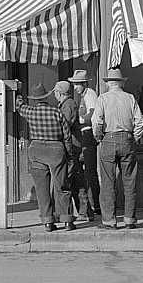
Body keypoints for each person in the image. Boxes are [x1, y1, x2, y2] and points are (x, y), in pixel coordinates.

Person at [16, 83, 75, 233]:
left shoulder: (30, 111)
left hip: (37, 150)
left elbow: (19, 106)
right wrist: (69, 153)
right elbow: (67, 135)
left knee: (42, 188)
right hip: (56, 149)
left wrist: (18, 95)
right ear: (46, 98)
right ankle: (67, 220)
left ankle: (48, 222)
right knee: (61, 185)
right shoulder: (56, 112)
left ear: (35, 100)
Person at [92, 68, 143, 230]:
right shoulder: (130, 98)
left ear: (108, 83)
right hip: (127, 138)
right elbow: (140, 122)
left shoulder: (103, 98)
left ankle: (110, 220)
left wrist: (99, 138)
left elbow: (97, 122)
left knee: (108, 182)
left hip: (108, 138)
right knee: (129, 181)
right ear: (121, 83)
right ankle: (130, 219)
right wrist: (133, 138)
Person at [53, 80, 90, 221]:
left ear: (59, 93)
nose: (55, 94)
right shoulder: (67, 104)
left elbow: (65, 124)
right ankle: (84, 211)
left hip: (72, 147)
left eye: (56, 92)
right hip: (73, 146)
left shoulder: (68, 105)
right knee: (75, 179)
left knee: (70, 180)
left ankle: (78, 212)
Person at [69, 69, 100, 220]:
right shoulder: (83, 96)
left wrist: (78, 120)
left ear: (84, 84)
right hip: (84, 136)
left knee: (89, 172)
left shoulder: (90, 94)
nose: (75, 87)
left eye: (77, 85)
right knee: (86, 172)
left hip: (88, 135)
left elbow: (93, 114)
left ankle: (96, 205)